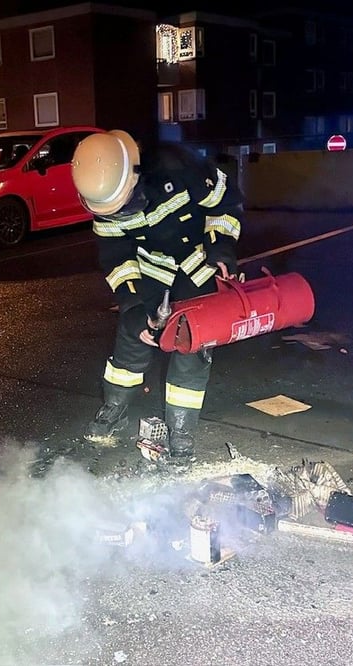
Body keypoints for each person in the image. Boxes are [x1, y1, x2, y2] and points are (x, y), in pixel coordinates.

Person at [71, 130, 244, 466]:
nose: (119, 214)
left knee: (191, 343)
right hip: (151, 272)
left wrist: (222, 247)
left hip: (198, 264)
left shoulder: (180, 167)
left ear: (136, 174)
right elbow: (117, 259)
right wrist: (133, 306)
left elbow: (226, 203)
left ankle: (181, 433)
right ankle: (114, 407)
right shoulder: (103, 197)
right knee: (131, 339)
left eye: (125, 204)